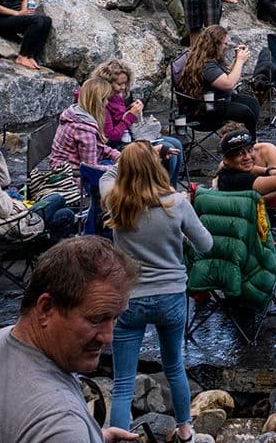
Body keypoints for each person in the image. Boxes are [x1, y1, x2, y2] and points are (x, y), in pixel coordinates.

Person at [0, 236, 140, 443]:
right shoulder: (59, 423)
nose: (108, 337)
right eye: (96, 319)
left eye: (115, 318)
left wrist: (93, 437)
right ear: (46, 308)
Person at [100, 142, 212, 441]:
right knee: (174, 365)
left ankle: (120, 436)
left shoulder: (115, 200)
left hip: (130, 299)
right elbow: (206, 245)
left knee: (122, 381)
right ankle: (186, 429)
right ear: (157, 167)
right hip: (171, 296)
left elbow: (106, 176)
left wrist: (127, 158)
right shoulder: (177, 203)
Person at [0, 128, 77, 240]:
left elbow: (4, 181)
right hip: (3, 225)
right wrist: (8, 198)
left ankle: (44, 246)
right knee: (59, 202)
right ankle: (38, 249)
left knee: (63, 214)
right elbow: (4, 210)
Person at [93, 60, 183, 183]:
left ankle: (172, 186)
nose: (123, 87)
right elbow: (111, 136)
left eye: (125, 83)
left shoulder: (116, 97)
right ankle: (164, 189)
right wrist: (131, 116)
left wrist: (131, 109)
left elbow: (120, 118)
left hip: (128, 139)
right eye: (119, 84)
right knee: (169, 148)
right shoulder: (103, 103)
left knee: (176, 143)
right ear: (107, 83)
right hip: (117, 146)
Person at [175, 26, 259, 133]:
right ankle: (249, 143)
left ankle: (247, 137)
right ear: (215, 44)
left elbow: (225, 75)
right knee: (245, 112)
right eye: (225, 44)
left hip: (214, 100)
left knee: (251, 103)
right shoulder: (207, 65)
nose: (226, 46)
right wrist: (240, 61)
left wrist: (236, 59)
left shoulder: (207, 58)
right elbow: (228, 83)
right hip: (206, 110)